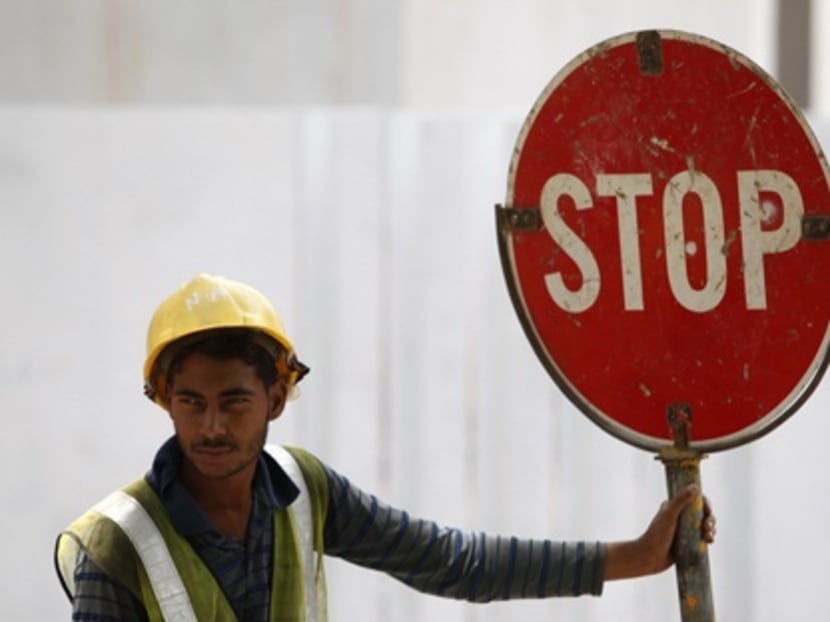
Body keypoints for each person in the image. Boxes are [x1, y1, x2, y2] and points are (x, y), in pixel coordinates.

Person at [55, 273, 716, 621]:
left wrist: (633, 557)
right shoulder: (120, 545)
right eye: (190, 403)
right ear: (164, 401)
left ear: (276, 401)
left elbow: (453, 562)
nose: (210, 428)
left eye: (234, 401)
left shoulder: (304, 490)